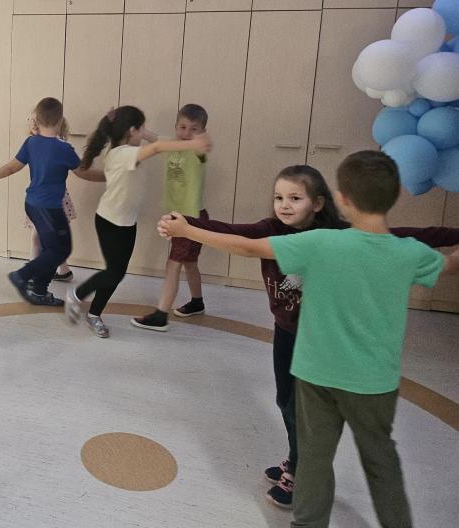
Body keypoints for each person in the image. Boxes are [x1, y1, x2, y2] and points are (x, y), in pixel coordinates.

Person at [157, 150, 459, 527]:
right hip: (335, 360)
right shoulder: (393, 250)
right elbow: (444, 261)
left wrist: (187, 230)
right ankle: (311, 470)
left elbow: (245, 246)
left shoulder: (323, 240)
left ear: (332, 200)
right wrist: (189, 224)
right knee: (353, 443)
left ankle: (303, 494)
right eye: (279, 197)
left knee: (312, 444)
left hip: (317, 362)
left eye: (294, 198)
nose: (284, 205)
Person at [64, 105, 210, 338]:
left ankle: (94, 314)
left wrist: (190, 141)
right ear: (132, 131)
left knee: (117, 273)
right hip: (110, 222)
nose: (145, 132)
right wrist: (192, 144)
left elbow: (155, 139)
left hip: (126, 223)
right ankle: (76, 295)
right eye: (141, 128)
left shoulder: (123, 149)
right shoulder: (123, 154)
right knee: (113, 272)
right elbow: (158, 146)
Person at [0, 97, 104, 306]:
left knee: (52, 249)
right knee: (59, 249)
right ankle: (23, 276)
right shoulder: (64, 148)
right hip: (49, 208)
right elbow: (85, 173)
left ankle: (39, 289)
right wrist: (111, 176)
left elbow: (11, 168)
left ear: (37, 119)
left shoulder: (31, 142)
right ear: (60, 119)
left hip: (32, 205)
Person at [132, 104, 211, 330]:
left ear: (202, 132)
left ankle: (161, 315)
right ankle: (197, 302)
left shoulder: (198, 152)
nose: (186, 133)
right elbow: (152, 137)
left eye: (194, 129)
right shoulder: (171, 145)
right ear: (175, 126)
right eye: (182, 127)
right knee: (189, 263)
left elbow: (202, 146)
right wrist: (133, 125)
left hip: (191, 218)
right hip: (181, 216)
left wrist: (201, 141)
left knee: (173, 265)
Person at [24, 112, 76, 281]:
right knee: (50, 238)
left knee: (39, 236)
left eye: (36, 121)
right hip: (46, 199)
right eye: (32, 120)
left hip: (48, 201)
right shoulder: (38, 144)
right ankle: (63, 270)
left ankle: (34, 270)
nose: (33, 124)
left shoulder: (53, 145)